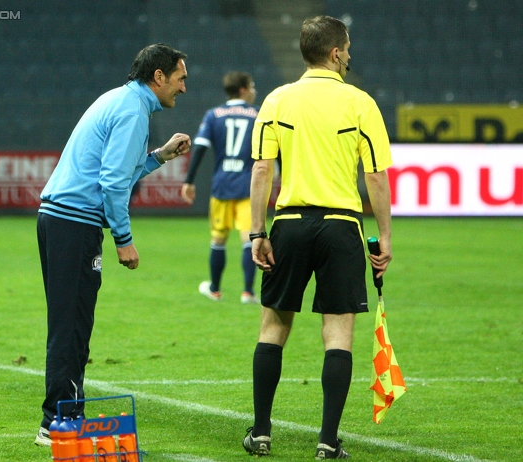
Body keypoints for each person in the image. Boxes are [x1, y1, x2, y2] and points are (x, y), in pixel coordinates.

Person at [243, 16, 393, 460]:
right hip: (342, 226)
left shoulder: (277, 100)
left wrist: (257, 232)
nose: (349, 56)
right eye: (346, 49)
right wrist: (383, 236)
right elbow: (376, 177)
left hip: (289, 224)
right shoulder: (360, 102)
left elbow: (261, 170)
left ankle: (262, 433)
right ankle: (328, 441)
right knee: (338, 333)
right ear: (334, 53)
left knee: (274, 325)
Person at [34, 43, 191, 447]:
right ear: (159, 77)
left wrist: (159, 156)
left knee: (70, 323)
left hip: (60, 218)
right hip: (74, 223)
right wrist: (124, 240)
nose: (183, 88)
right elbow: (112, 182)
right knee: (71, 326)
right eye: (180, 78)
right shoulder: (133, 110)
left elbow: (121, 167)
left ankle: (62, 417)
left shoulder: (121, 100)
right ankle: (59, 425)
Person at [180, 71, 260, 304]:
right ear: (243, 89)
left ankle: (214, 289)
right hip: (248, 185)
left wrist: (189, 180)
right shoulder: (257, 114)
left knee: (218, 240)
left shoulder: (214, 115)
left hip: (222, 185)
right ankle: (248, 292)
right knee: (248, 239)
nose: (254, 90)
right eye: (252, 85)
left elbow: (201, 148)